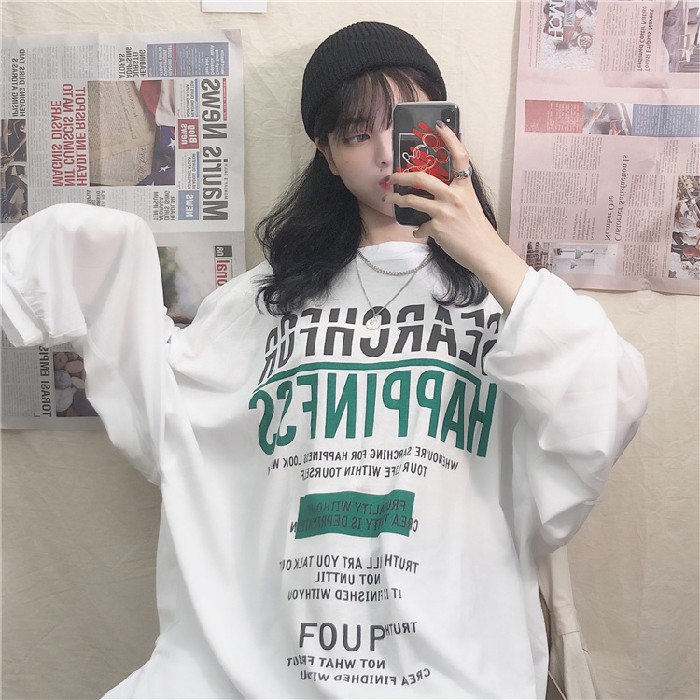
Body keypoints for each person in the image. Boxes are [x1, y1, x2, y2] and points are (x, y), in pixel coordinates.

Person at [0, 21, 647, 700]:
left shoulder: (504, 296)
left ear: (444, 125)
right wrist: (98, 261)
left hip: (453, 660)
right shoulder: (268, 297)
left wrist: (484, 249)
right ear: (327, 154)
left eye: (403, 123)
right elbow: (170, 416)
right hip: (281, 658)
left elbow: (606, 404)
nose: (385, 153)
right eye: (356, 134)